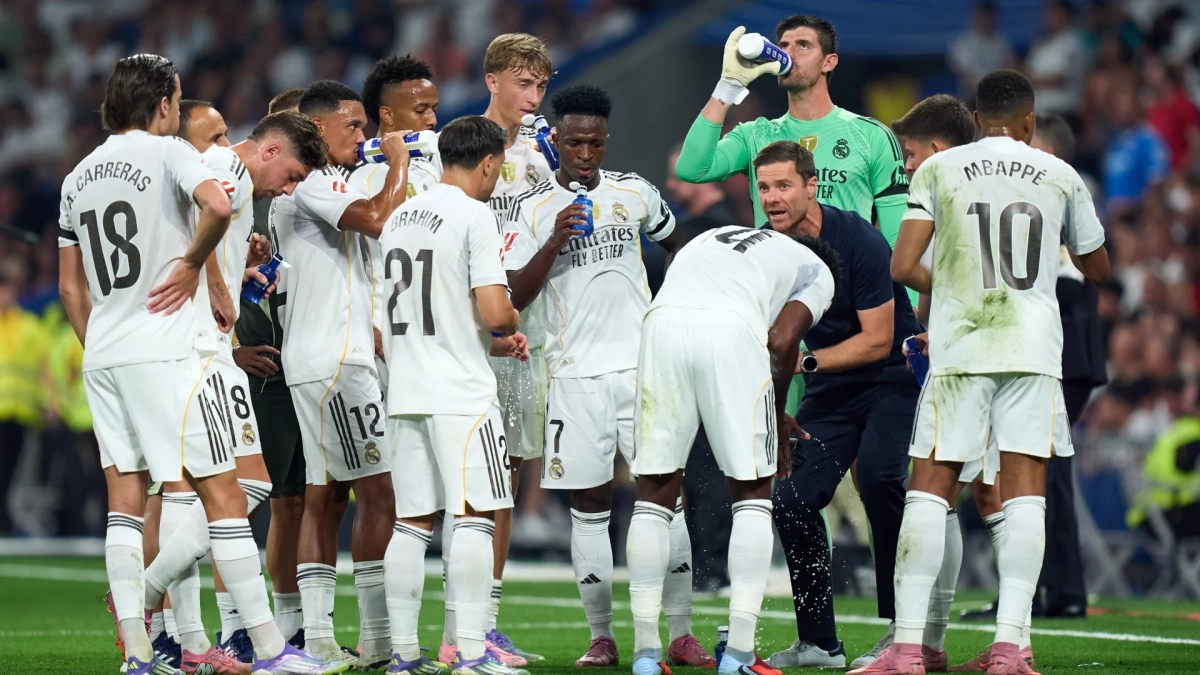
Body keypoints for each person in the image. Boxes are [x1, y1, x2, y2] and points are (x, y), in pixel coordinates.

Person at [57, 54, 340, 675]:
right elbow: (214, 205)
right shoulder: (170, 152)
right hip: (172, 348)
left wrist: (106, 339)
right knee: (220, 493)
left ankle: (142, 651)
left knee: (127, 502)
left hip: (106, 350)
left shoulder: (77, 176)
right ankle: (266, 650)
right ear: (163, 105)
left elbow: (70, 288)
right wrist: (192, 266)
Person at [858, 69, 1109, 675]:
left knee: (931, 483)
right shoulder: (1060, 173)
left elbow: (902, 262)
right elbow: (1097, 268)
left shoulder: (939, 170)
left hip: (962, 344)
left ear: (975, 120)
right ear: (1029, 121)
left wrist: (952, 286)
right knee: (1025, 488)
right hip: (1030, 348)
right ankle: (1008, 649)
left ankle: (911, 648)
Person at [627, 148, 839, 675]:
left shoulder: (711, 235)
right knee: (751, 494)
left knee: (654, 493)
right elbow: (783, 338)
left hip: (661, 325)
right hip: (728, 332)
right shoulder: (816, 270)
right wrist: (773, 407)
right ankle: (740, 654)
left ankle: (646, 654)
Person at [502, 84, 692, 668]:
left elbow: (677, 242)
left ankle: (681, 633)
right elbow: (512, 294)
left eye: (596, 143)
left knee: (667, 496)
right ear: (554, 141)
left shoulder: (634, 193)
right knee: (590, 503)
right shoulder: (530, 209)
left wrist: (678, 307)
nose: (586, 153)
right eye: (576, 142)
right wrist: (556, 237)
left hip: (643, 368)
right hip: (573, 376)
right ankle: (602, 636)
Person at [139, 109, 328, 673]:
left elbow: (193, 231)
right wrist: (219, 281)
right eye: (291, 175)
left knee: (208, 493)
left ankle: (176, 620)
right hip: (202, 351)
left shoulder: (231, 176)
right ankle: (147, 601)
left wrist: (235, 268)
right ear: (269, 152)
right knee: (245, 484)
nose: (289, 189)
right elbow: (208, 214)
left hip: (198, 348)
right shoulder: (227, 167)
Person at [743, 139, 917, 670]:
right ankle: (819, 643)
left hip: (890, 377)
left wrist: (804, 366)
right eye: (765, 187)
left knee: (883, 480)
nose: (772, 198)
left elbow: (878, 338)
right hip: (830, 391)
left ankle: (902, 632)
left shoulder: (859, 239)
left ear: (812, 185)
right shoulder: (763, 250)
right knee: (792, 498)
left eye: (784, 185)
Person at [381, 114, 529, 675]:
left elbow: (419, 315)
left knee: (412, 522)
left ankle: (404, 654)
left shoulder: (399, 217)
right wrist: (510, 319)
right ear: (489, 163)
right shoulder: (474, 215)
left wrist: (486, 343)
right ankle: (470, 654)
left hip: (407, 388)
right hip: (461, 396)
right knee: (475, 517)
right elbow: (494, 311)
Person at [270, 80, 409, 668]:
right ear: (317, 128)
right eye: (352, 126)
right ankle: (378, 638)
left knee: (325, 497)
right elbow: (379, 218)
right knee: (382, 495)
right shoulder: (316, 182)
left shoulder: (322, 184)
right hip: (334, 363)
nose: (365, 136)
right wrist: (397, 165)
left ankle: (322, 639)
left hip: (325, 356)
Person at [889, 94, 1029, 672]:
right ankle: (958, 643)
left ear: (940, 150)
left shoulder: (947, 188)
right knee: (974, 490)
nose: (907, 168)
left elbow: (920, 270)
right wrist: (936, 324)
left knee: (953, 490)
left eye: (911, 155)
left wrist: (946, 305)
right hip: (1000, 347)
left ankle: (986, 643)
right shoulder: (1000, 186)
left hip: (982, 357)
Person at [436, 34, 557, 668]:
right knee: (459, 483)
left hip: (519, 327)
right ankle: (459, 630)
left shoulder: (540, 160)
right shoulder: (454, 147)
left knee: (503, 476)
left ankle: (481, 623)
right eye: (522, 84)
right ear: (491, 79)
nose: (533, 98)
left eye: (540, 85)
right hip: (467, 326)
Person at [959, 114, 1102, 630]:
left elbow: (1079, 275)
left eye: (1031, 145)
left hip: (1058, 338)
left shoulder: (1055, 190)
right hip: (1058, 337)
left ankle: (1051, 590)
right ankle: (1049, 591)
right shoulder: (1052, 191)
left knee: (1030, 474)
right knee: (1036, 474)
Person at [232, 86, 312, 649]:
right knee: (248, 496)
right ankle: (229, 627)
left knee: (300, 499)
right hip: (262, 366)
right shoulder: (247, 195)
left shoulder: (315, 193)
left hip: (311, 362)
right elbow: (208, 272)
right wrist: (232, 349)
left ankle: (291, 624)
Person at [349, 54, 439, 404]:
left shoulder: (436, 171)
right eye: (421, 110)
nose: (432, 119)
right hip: (388, 340)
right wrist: (366, 329)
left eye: (434, 108)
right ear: (387, 115)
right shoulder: (359, 182)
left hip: (439, 334)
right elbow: (345, 265)